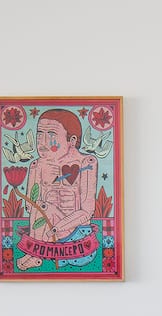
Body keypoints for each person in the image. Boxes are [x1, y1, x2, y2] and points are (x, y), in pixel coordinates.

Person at [15, 109, 99, 271]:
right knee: (42, 204)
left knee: (45, 205)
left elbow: (87, 212)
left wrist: (57, 226)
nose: (43, 141)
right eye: (40, 134)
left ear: (72, 140)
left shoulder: (86, 163)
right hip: (43, 235)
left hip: (75, 237)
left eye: (51, 135)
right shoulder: (36, 166)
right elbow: (30, 206)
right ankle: (35, 254)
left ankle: (36, 255)